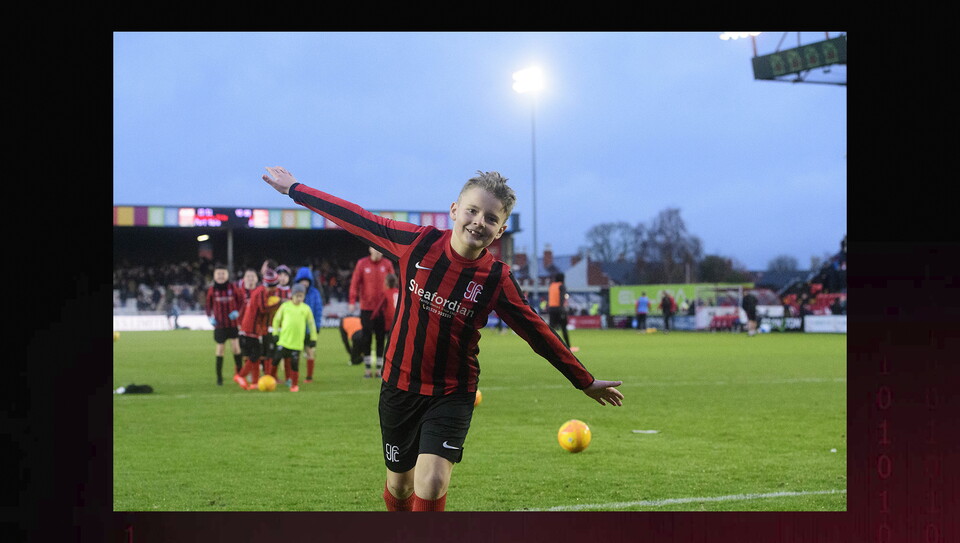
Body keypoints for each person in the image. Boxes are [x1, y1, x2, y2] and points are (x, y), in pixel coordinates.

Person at [263, 166, 624, 512]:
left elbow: (536, 331)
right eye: (472, 211)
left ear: (500, 230)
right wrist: (296, 190)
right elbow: (358, 218)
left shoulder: (496, 279)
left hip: (452, 392)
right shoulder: (416, 243)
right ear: (454, 210)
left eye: (491, 218)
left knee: (433, 481)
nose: (479, 222)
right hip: (399, 386)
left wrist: (584, 380)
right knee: (400, 486)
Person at [349, 246, 395, 379]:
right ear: (370, 249)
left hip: (383, 309)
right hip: (367, 308)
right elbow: (355, 283)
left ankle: (380, 369)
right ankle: (368, 369)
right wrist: (352, 301)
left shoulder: (387, 264)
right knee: (366, 338)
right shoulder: (362, 264)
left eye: (380, 249)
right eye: (375, 248)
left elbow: (394, 285)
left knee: (381, 338)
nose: (378, 251)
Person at [234, 267, 283, 390]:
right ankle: (241, 375)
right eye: (274, 286)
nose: (275, 289)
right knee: (256, 354)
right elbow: (263, 308)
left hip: (254, 328)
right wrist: (278, 304)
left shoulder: (261, 291)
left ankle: (255, 382)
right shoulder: (261, 292)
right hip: (251, 329)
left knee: (257, 355)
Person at [271, 284, 318, 392]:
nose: (299, 298)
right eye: (297, 296)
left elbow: (311, 324)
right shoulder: (285, 306)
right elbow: (276, 320)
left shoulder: (306, 308)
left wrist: (313, 338)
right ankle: (271, 379)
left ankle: (294, 384)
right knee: (276, 360)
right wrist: (275, 333)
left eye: (301, 296)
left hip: (297, 343)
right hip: (283, 341)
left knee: (294, 364)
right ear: (292, 295)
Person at [205, 263, 246, 385]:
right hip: (219, 325)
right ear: (214, 276)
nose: (221, 276)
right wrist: (210, 318)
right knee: (220, 349)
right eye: (218, 274)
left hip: (232, 324)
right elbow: (208, 306)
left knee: (236, 348)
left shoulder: (233, 288)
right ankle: (219, 377)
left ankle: (240, 375)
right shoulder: (212, 290)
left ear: (227, 275)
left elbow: (242, 302)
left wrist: (237, 312)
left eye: (223, 273)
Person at [295, 266, 324, 383]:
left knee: (310, 351)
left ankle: (309, 377)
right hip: (296, 329)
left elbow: (318, 310)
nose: (304, 283)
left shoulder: (315, 293)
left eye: (306, 280)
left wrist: (317, 326)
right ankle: (294, 376)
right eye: (302, 280)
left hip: (308, 330)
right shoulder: (295, 292)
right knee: (295, 354)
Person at [547, 273, 578, 352]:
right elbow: (561, 299)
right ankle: (568, 347)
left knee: (551, 328)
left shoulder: (552, 285)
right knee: (564, 328)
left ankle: (548, 345)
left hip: (551, 308)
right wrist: (563, 309)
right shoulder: (561, 286)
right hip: (559, 309)